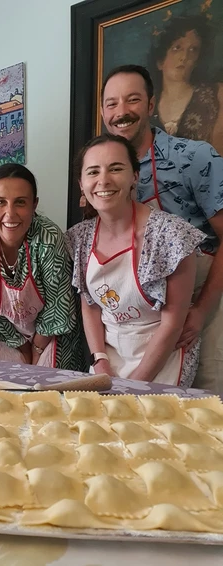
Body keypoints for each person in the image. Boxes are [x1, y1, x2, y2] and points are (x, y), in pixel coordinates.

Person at [101, 64, 223, 393]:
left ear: (151, 105)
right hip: (138, 312)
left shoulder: (195, 158)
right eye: (111, 104)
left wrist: (200, 312)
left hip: (201, 297)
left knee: (204, 400)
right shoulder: (103, 174)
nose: (121, 112)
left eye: (133, 100)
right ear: (102, 112)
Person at [65, 134, 205, 385]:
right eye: (93, 172)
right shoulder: (79, 237)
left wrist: (136, 384)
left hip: (163, 357)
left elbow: (173, 323)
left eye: (116, 168)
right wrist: (100, 360)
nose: (104, 180)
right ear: (82, 184)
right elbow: (91, 304)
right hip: (109, 359)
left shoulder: (171, 235)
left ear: (135, 176)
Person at [0, 163, 84, 370]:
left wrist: (36, 348)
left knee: (51, 395)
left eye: (20, 202)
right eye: (1, 202)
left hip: (52, 334)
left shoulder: (49, 238)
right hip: (4, 335)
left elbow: (58, 306)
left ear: (34, 205)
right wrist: (21, 346)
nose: (10, 213)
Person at [148, 15, 223, 154]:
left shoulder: (216, 95)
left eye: (193, 49)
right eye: (177, 48)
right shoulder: (147, 106)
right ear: (160, 60)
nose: (184, 57)